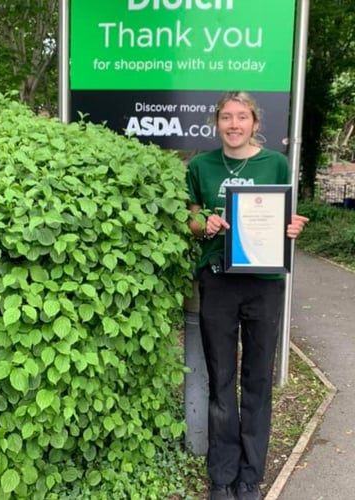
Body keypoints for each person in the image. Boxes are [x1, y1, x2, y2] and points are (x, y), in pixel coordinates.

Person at [186, 91, 308, 500]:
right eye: (226, 117)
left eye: (242, 117)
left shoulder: (275, 163)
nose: (234, 124)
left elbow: (284, 216)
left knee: (257, 380)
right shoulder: (201, 165)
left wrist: (291, 229)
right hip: (218, 280)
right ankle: (221, 477)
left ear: (255, 123)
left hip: (264, 282)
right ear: (216, 123)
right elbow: (190, 215)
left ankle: (249, 477)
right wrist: (204, 223)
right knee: (221, 381)